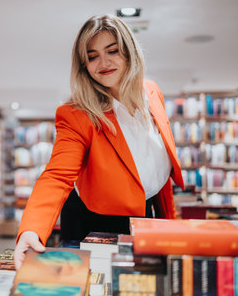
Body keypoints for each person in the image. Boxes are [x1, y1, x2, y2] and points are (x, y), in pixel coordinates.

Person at [13, 14, 185, 270]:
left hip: (144, 213)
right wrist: (31, 229)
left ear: (130, 52)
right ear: (83, 64)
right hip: (95, 219)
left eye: (112, 51)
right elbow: (57, 176)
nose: (103, 63)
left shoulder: (152, 92)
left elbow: (157, 170)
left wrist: (170, 226)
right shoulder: (76, 114)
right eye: (92, 56)